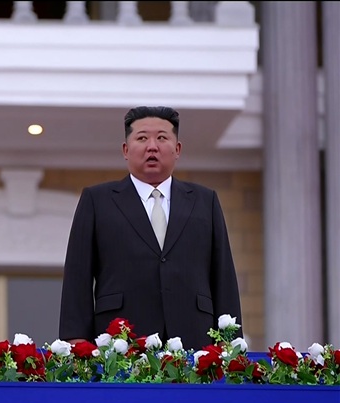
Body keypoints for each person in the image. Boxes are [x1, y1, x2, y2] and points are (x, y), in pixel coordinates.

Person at [59, 106, 243, 350]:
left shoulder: (204, 201)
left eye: (162, 138)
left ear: (177, 149)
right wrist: (77, 341)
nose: (152, 146)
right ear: (126, 150)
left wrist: (230, 343)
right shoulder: (97, 200)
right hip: (120, 343)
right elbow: (77, 275)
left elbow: (223, 276)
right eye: (142, 138)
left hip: (195, 340)